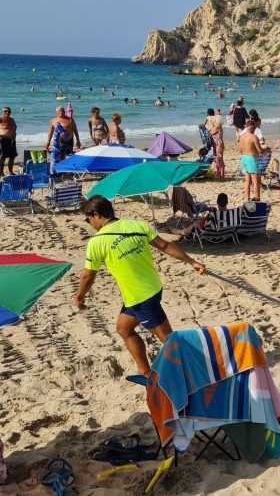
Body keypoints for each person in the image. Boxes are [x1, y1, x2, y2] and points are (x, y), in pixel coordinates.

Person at [77, 196, 205, 376]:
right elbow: (165, 246)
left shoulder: (97, 242)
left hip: (140, 298)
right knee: (124, 328)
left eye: (87, 218)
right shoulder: (136, 226)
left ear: (96, 214)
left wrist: (80, 296)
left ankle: (198, 371)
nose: (88, 222)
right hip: (152, 288)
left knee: (170, 342)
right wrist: (191, 262)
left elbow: (88, 275)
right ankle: (144, 371)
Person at [0, 107, 18, 175]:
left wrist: (14, 138)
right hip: (3, 140)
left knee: (12, 156)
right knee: (3, 156)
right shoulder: (0, 119)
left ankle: (11, 171)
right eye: (5, 111)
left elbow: (14, 129)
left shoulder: (12, 120)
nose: (7, 113)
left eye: (9, 111)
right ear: (2, 112)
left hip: (12, 140)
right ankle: (1, 172)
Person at [238, 122, 262, 201]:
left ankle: (246, 198)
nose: (255, 130)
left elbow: (240, 151)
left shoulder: (241, 137)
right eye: (254, 128)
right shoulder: (253, 137)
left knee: (247, 180)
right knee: (256, 181)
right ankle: (257, 198)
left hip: (244, 158)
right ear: (251, 127)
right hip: (251, 159)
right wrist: (267, 149)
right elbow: (260, 151)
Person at [204, 108, 225, 178]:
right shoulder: (216, 124)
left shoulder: (216, 127)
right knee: (218, 158)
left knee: (218, 158)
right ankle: (220, 174)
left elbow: (207, 125)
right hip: (217, 143)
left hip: (218, 143)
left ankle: (221, 175)